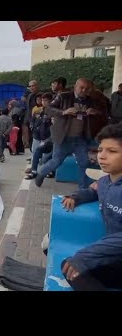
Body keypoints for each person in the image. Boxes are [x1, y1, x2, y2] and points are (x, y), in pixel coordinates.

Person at [60, 123, 122, 291]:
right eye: (100, 150)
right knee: (68, 267)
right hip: (116, 260)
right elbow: (94, 192)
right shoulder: (104, 182)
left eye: (112, 151)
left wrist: (88, 254)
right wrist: (77, 197)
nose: (102, 156)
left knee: (79, 261)